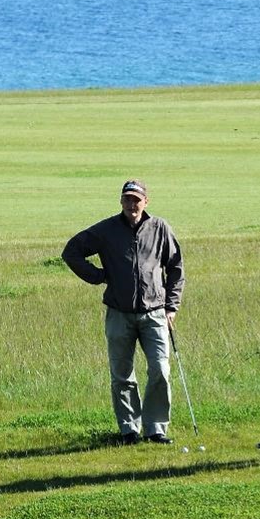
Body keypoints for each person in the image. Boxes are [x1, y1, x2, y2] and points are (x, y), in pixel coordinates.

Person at [62, 180, 185, 444]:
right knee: (122, 374)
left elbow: (175, 268)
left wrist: (172, 306)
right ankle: (129, 429)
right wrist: (98, 276)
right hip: (119, 312)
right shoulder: (106, 230)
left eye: (137, 200)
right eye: (127, 199)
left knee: (160, 370)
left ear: (146, 202)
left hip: (155, 313)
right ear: (121, 201)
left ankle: (156, 428)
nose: (132, 204)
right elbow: (71, 252)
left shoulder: (160, 228)